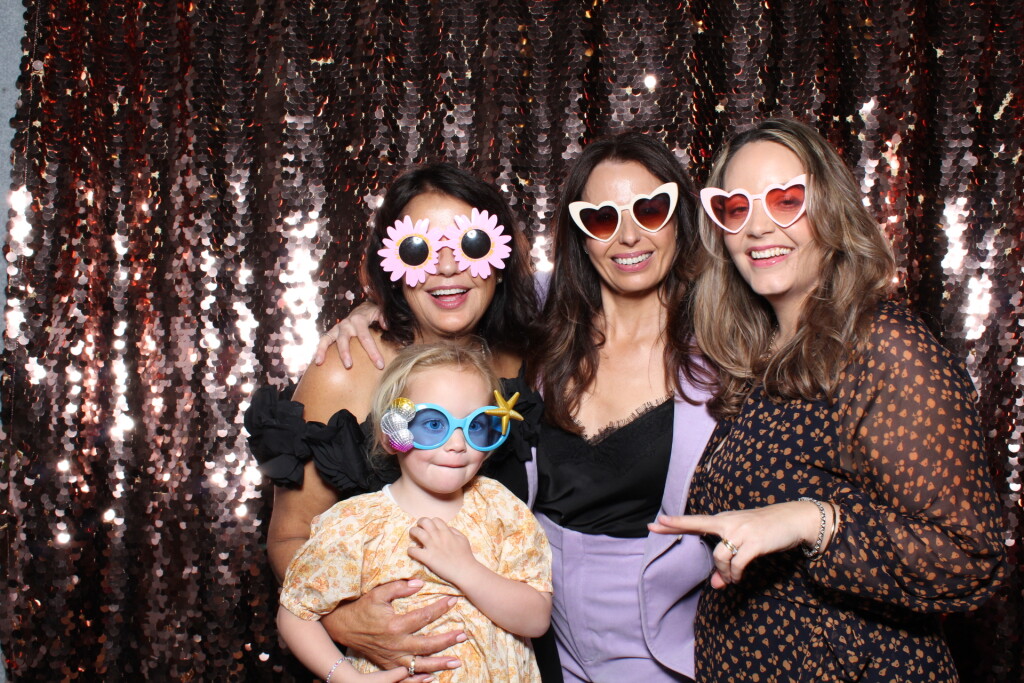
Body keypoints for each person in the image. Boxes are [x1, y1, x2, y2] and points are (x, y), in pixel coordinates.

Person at [326, 133, 719, 682]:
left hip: (659, 643)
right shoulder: (544, 319)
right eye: (602, 218)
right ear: (579, 235)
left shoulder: (724, 339)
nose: (628, 234)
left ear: (681, 218)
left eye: (651, 210)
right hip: (536, 646)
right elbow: (454, 284)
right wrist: (376, 308)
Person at [650, 118, 1007, 681]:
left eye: (787, 200)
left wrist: (812, 521)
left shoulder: (884, 344)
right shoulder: (763, 355)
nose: (757, 227)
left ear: (831, 209)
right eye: (735, 208)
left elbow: (969, 559)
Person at [245, 162, 550, 680]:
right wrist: (344, 622)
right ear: (393, 265)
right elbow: (289, 536)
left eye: (471, 243)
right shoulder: (344, 371)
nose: (447, 267)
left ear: (499, 259)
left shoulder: (528, 359)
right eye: (418, 249)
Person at [278, 342, 552, 682]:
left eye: (475, 426)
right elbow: (295, 613)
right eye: (434, 424)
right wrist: (348, 678)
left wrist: (466, 570)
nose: (457, 444)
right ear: (391, 434)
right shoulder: (355, 525)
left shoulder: (502, 509)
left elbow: (536, 620)